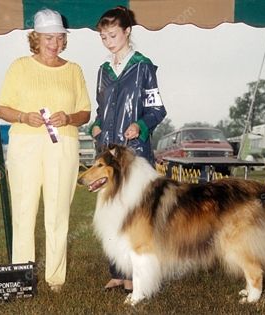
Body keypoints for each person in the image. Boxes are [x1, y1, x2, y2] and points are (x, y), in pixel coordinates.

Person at [0, 8, 91, 292]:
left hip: (63, 144)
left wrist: (69, 118)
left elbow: (85, 112)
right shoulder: (19, 66)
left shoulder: (74, 70)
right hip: (25, 143)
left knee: (58, 212)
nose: (55, 43)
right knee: (24, 211)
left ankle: (55, 279)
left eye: (60, 37)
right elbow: (2, 108)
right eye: (49, 38)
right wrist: (23, 116)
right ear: (35, 38)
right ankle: (21, 277)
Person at [91, 6, 167, 292]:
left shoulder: (143, 66)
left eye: (112, 35)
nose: (108, 41)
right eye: (103, 37)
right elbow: (101, 110)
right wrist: (95, 126)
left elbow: (157, 109)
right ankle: (117, 272)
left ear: (127, 32)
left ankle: (138, 275)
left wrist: (141, 126)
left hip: (134, 155)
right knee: (111, 214)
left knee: (136, 217)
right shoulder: (103, 70)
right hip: (106, 154)